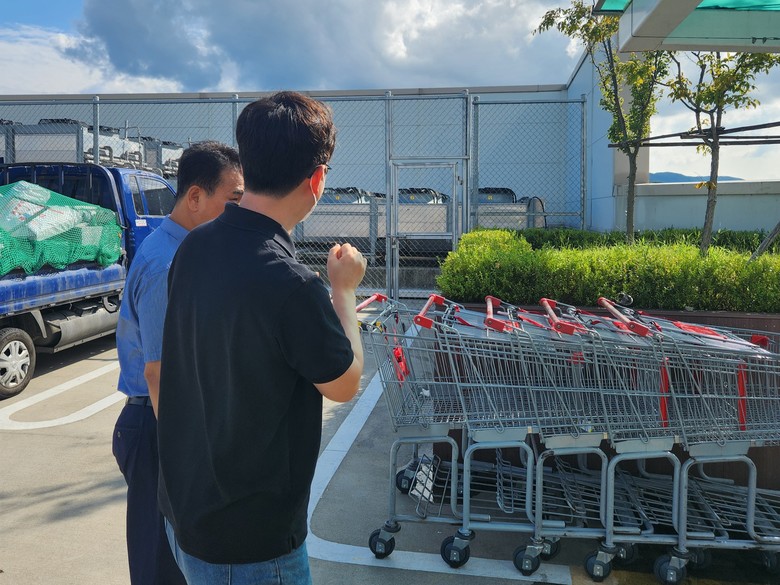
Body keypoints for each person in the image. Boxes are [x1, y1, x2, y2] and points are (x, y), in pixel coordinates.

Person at [157, 91, 367, 585]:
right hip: (250, 545)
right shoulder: (292, 284)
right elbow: (343, 383)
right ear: (317, 179)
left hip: (185, 511)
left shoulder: (194, 245)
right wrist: (343, 290)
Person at [113, 141, 244, 585]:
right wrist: (187, 452)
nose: (239, 211)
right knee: (160, 565)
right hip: (157, 427)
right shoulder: (166, 264)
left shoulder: (184, 250)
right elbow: (159, 373)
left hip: (162, 423)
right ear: (195, 197)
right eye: (233, 200)